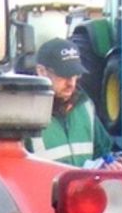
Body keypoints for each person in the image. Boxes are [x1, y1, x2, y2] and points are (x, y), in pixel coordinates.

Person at [27, 37, 117, 168]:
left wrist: (108, 164)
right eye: (63, 75)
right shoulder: (24, 117)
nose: (71, 83)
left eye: (75, 75)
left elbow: (103, 152)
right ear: (41, 71)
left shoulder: (85, 107)